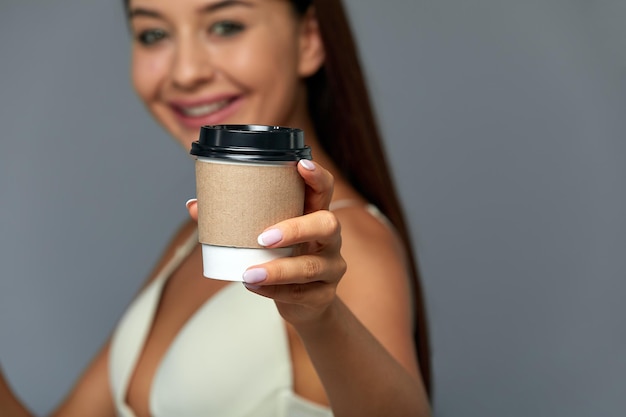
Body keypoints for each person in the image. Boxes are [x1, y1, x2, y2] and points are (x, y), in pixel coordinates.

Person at [0, 0, 431, 416]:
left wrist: (321, 317)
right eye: (153, 33)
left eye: (225, 26)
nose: (185, 72)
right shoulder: (192, 242)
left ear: (309, 40)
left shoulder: (349, 249)